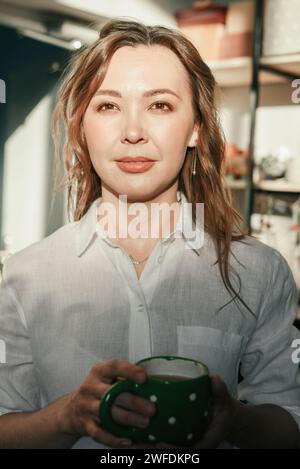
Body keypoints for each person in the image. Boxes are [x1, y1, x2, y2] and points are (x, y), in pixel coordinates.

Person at [0, 18, 299, 449]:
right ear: (82, 127)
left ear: (196, 127)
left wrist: (236, 420)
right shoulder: (26, 276)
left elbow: (290, 418)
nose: (133, 132)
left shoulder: (258, 271)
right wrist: (66, 416)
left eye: (160, 105)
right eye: (108, 106)